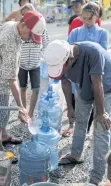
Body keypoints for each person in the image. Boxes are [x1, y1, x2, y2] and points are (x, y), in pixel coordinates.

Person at [42, 40, 111, 185]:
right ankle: (76, 155)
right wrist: (70, 107)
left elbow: (97, 83)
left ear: (71, 59)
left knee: (101, 129)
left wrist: (101, 113)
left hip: (106, 89)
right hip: (84, 86)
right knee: (79, 121)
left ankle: (97, 177)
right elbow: (65, 82)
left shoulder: (93, 52)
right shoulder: (59, 55)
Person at [0, 11, 46, 150]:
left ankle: (4, 136)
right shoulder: (11, 43)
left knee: (4, 112)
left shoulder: (10, 24)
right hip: (1, 82)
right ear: (24, 25)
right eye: (30, 35)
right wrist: (22, 108)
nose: (28, 39)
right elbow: (12, 80)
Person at [62, 2, 106, 137]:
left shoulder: (102, 33)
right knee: (78, 99)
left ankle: (88, 130)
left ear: (97, 16)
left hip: (94, 75)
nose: (86, 21)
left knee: (94, 101)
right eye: (84, 18)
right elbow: (68, 51)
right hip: (77, 74)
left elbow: (102, 53)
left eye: (90, 19)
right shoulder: (75, 32)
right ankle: (75, 126)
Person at [5, 4, 50, 118]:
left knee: (36, 89)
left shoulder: (40, 27)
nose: (26, 16)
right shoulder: (20, 28)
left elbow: (46, 44)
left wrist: (40, 55)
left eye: (29, 13)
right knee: (23, 88)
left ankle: (30, 113)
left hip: (36, 64)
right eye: (24, 15)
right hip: (22, 64)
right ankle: (23, 111)